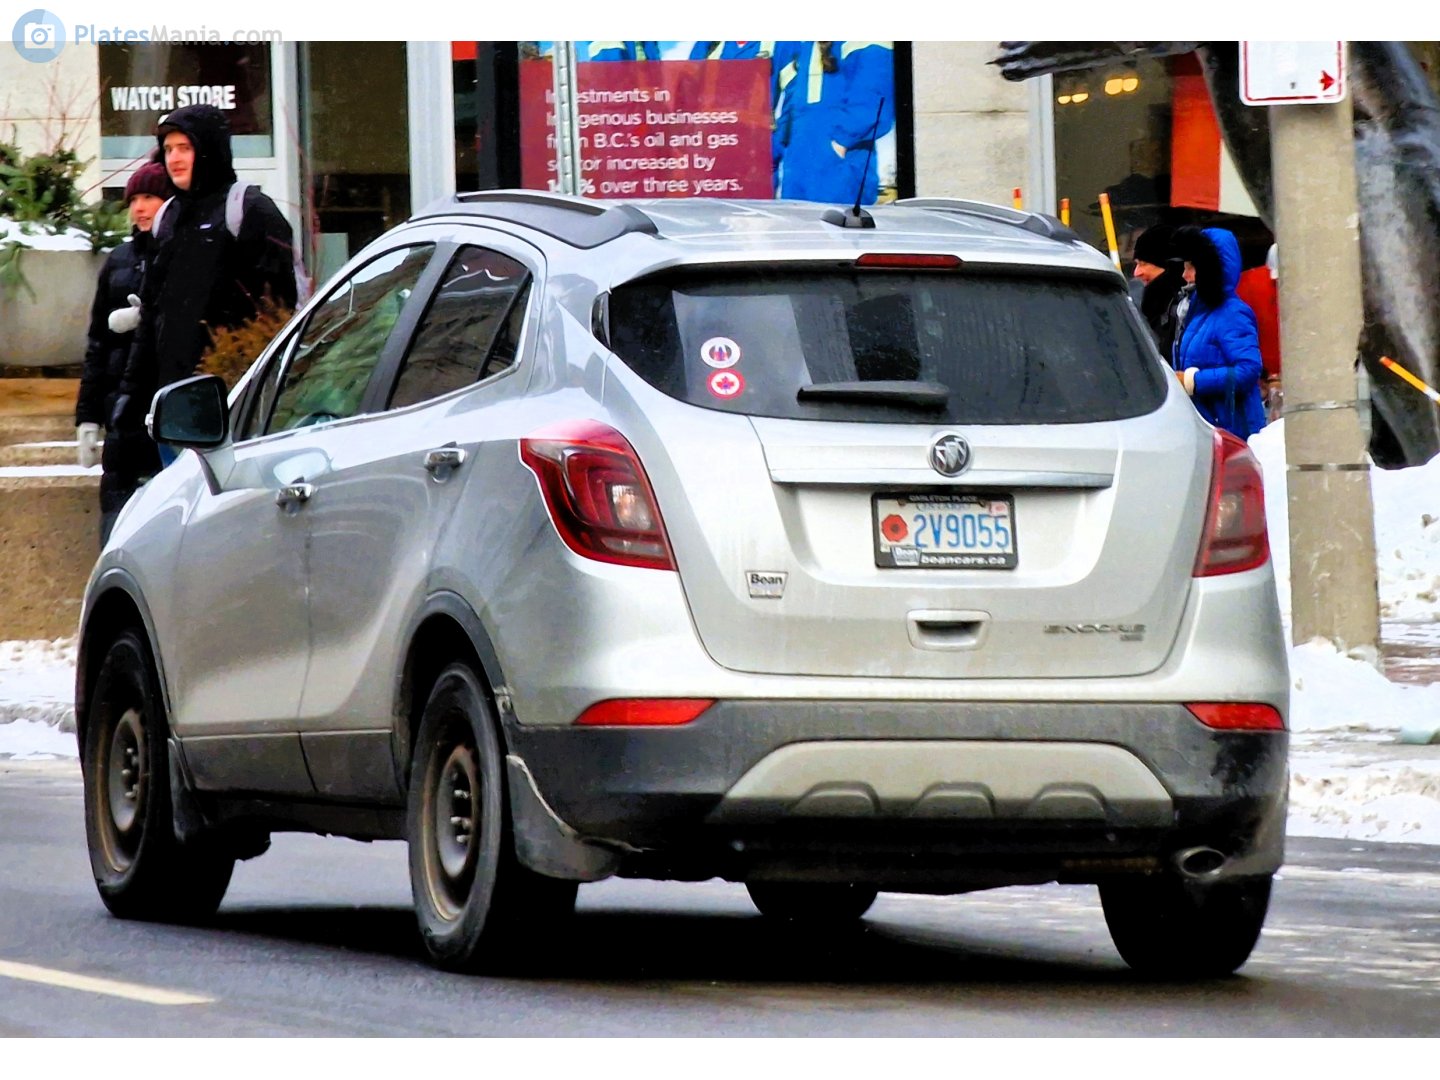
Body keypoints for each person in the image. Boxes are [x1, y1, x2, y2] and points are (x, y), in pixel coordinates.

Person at [113, 103, 300, 462]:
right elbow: (152, 314)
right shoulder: (168, 217)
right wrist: (131, 394)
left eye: (185, 148)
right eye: (168, 149)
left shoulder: (249, 209)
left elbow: (278, 311)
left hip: (232, 404)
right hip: (173, 403)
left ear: (209, 148)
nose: (175, 158)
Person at [74, 160, 170, 545]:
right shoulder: (118, 261)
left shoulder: (179, 254)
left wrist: (149, 318)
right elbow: (97, 343)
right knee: (115, 523)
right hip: (121, 411)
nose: (140, 207)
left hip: (166, 409)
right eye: (134, 199)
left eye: (150, 197)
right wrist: (88, 416)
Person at [1170, 225, 1267, 441]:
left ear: (1211, 268)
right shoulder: (1197, 313)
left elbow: (1248, 369)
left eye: (1191, 267)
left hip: (1233, 434)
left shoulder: (1232, 312)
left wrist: (1192, 381)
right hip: (1210, 430)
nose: (1185, 275)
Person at [773, 41, 894, 204]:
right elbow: (790, 108)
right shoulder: (803, 46)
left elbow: (873, 97)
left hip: (840, 163)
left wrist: (841, 143)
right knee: (799, 225)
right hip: (796, 164)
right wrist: (776, 149)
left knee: (839, 225)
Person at [1130, 223, 1185, 360]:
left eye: (1143, 264)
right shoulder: (1148, 306)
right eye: (1136, 264)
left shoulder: (1185, 310)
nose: (1136, 272)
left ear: (1168, 265)